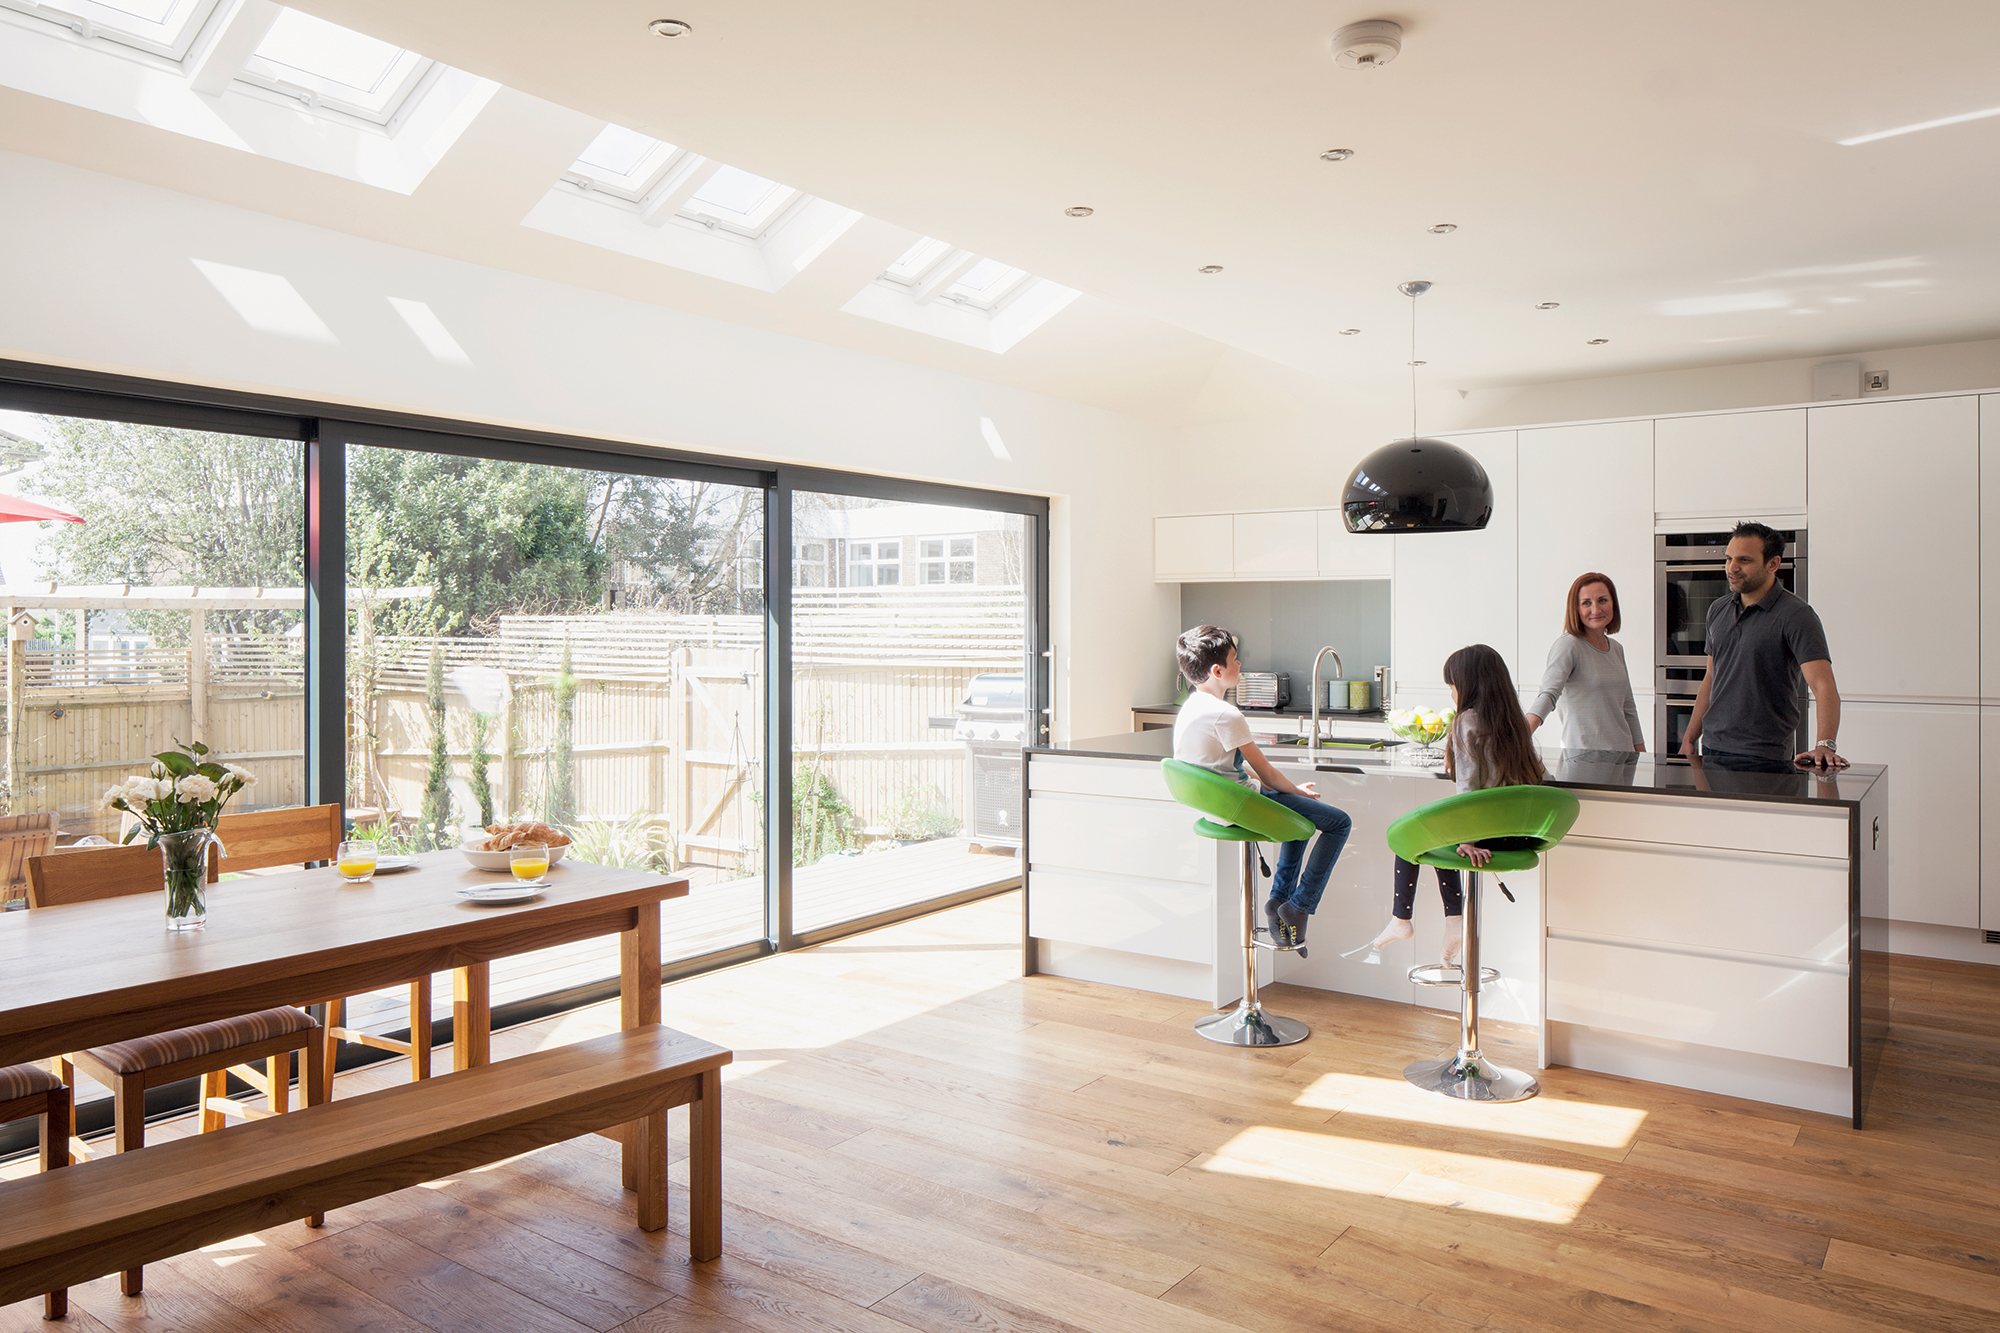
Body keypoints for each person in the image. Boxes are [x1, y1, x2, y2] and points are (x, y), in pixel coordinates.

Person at [1349, 644, 1547, 967]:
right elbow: (1541, 775)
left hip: (1485, 838)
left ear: (1468, 686)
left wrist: (1468, 839)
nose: (1452, 695)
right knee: (1439, 830)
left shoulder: (1466, 721)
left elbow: (1467, 787)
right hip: (1520, 836)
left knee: (1406, 837)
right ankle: (1452, 923)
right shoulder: (1514, 723)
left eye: (1452, 687)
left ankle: (1404, 919)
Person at [1172, 625, 1352, 951]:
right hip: (1242, 805)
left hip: (1220, 806)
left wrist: (1291, 792)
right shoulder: (1227, 714)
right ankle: (1298, 906)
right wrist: (1295, 792)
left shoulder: (1192, 707)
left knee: (1299, 824)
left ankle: (1280, 901)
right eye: (1235, 660)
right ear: (1217, 671)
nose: (1239, 665)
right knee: (1339, 823)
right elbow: (1267, 773)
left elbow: (1246, 770)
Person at [1679, 521, 1848, 772]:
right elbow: (1711, 678)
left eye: (1744, 560)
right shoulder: (1718, 609)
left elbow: (1823, 685)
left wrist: (1825, 745)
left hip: (1766, 755)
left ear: (1773, 564)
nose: (1732, 568)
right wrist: (1690, 738)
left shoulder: (1797, 615)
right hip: (1713, 748)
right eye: (1728, 559)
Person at [1525, 572, 1646, 753]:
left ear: (1613, 604)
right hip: (1583, 758)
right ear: (1576, 609)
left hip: (1623, 756)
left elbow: (1628, 707)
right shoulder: (1569, 645)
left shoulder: (1616, 649)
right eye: (1586, 603)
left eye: (1603, 600)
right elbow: (1548, 694)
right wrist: (1520, 736)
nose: (1596, 610)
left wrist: (1641, 754)